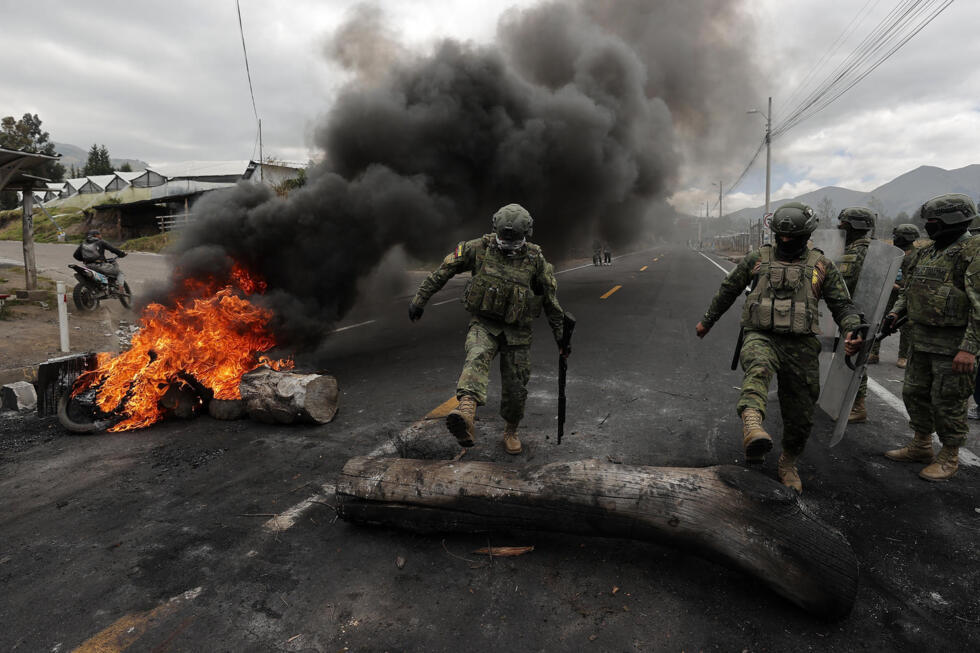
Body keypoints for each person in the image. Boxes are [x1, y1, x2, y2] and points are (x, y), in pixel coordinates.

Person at [695, 202, 864, 494]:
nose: (785, 242)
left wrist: (851, 330)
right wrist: (707, 321)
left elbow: (843, 305)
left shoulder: (822, 265)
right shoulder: (756, 260)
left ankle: (788, 462)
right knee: (757, 371)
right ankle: (752, 424)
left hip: (802, 346)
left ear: (806, 234)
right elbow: (729, 289)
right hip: (762, 335)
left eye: (792, 237)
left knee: (800, 412)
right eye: (781, 236)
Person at [409, 204, 568, 454]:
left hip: (518, 332)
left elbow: (550, 300)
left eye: (514, 239)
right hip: (485, 324)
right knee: (476, 356)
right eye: (504, 238)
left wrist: (561, 337)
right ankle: (466, 414)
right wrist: (420, 299)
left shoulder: (536, 259)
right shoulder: (477, 248)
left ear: (526, 234)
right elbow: (444, 270)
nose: (508, 244)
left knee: (516, 389)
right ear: (495, 230)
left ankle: (511, 430)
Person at [883, 194, 980, 481]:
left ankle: (950, 456)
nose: (928, 227)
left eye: (933, 222)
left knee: (948, 401)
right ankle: (921, 445)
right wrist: (894, 315)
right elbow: (908, 290)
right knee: (915, 394)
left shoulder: (972, 251)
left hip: (954, 346)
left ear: (952, 220)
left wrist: (970, 349)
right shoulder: (927, 253)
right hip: (921, 340)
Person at [834, 207, 876, 423]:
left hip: (857, 312)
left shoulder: (860, 251)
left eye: (843, 223)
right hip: (851, 311)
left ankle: (858, 406)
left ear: (853, 226)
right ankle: (851, 403)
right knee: (848, 355)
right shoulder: (853, 248)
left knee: (855, 358)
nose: (839, 226)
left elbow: (846, 283)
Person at [885, 223, 921, 369]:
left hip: (906, 294)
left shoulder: (917, 255)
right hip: (889, 293)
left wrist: (900, 287)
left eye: (897, 236)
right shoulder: (892, 253)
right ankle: (874, 352)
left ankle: (903, 356)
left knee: (906, 326)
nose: (895, 239)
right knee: (881, 321)